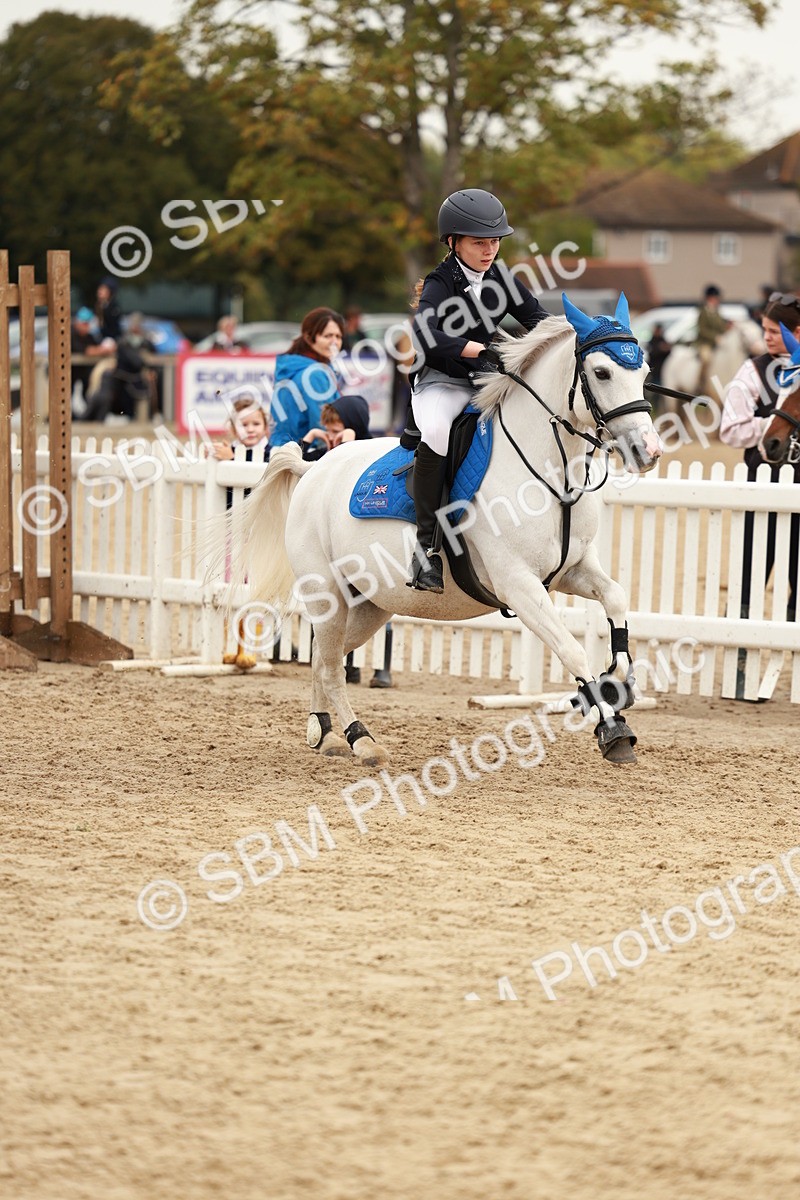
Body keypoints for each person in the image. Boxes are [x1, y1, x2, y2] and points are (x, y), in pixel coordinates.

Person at [406, 187, 549, 593]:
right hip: (441, 380)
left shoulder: (501, 279)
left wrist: (581, 339)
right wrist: (480, 349)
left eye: (494, 242)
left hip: (483, 381)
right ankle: (425, 550)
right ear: (453, 242)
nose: (489, 250)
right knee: (436, 431)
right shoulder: (441, 281)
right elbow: (426, 334)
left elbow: (539, 320)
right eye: (479, 243)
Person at [720, 292, 800, 698]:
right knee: (751, 575)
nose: (768, 338)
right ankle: (739, 670)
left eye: (776, 331)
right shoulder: (753, 371)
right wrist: (774, 427)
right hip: (763, 483)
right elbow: (731, 429)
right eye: (766, 331)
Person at [270, 308, 344, 449]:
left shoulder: (295, 367)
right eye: (327, 336)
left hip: (282, 449)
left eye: (338, 337)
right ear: (309, 338)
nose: (334, 342)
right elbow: (324, 425)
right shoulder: (315, 374)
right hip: (305, 453)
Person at [71, 307, 115, 412]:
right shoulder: (71, 334)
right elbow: (87, 351)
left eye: (88, 323)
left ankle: (89, 415)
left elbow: (96, 347)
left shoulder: (89, 336)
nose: (87, 326)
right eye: (84, 323)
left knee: (88, 393)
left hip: (84, 373)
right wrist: (104, 350)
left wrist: (105, 349)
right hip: (69, 372)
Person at [300, 394, 371, 460]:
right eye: (327, 430)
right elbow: (294, 463)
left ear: (355, 427)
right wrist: (312, 434)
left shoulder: (370, 453)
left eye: (336, 431)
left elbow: (342, 464)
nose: (330, 438)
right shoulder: (328, 451)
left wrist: (348, 439)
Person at [694, 285, 731, 397]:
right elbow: (702, 330)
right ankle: (701, 383)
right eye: (716, 298)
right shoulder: (703, 312)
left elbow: (721, 326)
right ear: (710, 298)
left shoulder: (717, 312)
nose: (717, 300)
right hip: (705, 343)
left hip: (718, 345)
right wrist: (715, 337)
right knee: (706, 358)